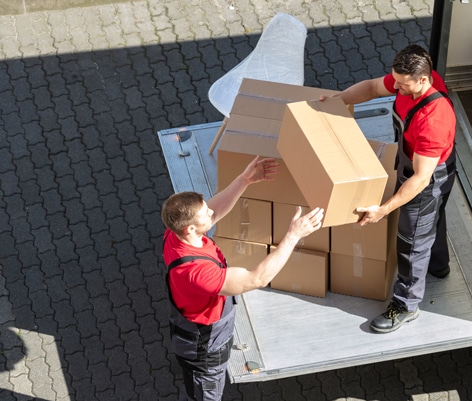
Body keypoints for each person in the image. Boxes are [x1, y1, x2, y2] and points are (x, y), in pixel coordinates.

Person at [160, 156, 324, 400]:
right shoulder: (198, 273)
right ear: (190, 229)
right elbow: (256, 278)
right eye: (205, 213)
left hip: (202, 329)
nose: (211, 212)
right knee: (204, 393)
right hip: (204, 348)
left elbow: (214, 213)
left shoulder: (176, 235)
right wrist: (293, 235)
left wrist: (244, 179)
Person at [322, 44, 456, 333]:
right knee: (434, 220)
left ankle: (406, 305)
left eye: (401, 84)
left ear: (423, 80)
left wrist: (383, 210)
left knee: (411, 242)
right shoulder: (410, 80)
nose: (395, 86)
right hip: (425, 165)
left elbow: (420, 179)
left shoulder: (433, 120)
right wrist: (337, 100)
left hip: (426, 177)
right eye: (395, 79)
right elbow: (371, 87)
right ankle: (439, 265)